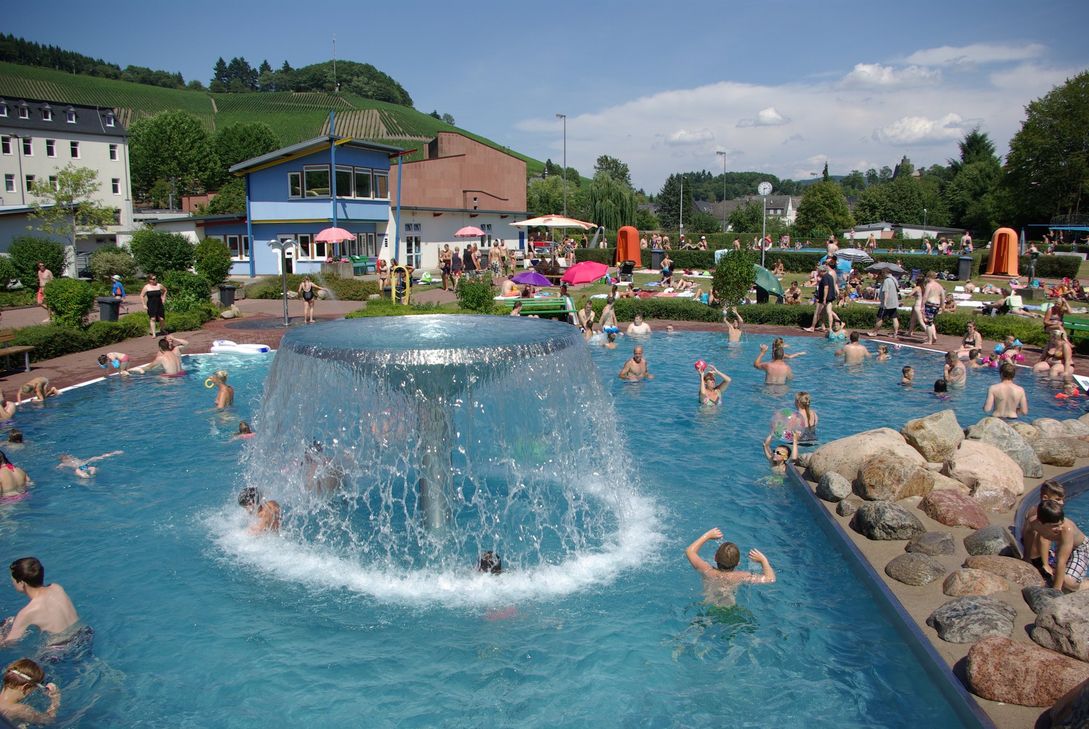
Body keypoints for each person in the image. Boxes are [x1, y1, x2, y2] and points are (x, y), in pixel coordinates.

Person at [1, 558, 81, 648]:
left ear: (21, 583)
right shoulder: (57, 588)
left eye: (12, 579)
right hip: (83, 635)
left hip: (59, 649)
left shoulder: (26, 613)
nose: (12, 582)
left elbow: (9, 643)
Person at [685, 527, 776, 605]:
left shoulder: (707, 570)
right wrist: (763, 561)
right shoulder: (741, 576)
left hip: (707, 603)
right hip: (728, 607)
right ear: (738, 563)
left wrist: (708, 535)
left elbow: (689, 551)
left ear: (715, 558)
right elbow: (770, 579)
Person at [1033, 500, 1087, 592]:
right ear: (1041, 522)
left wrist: (1056, 589)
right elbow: (1031, 535)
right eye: (1055, 525)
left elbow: (1061, 561)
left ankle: (1084, 585)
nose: (1060, 528)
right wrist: (1027, 559)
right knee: (1053, 575)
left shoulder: (1066, 530)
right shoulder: (1033, 522)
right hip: (1062, 546)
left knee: (1065, 582)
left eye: (1061, 523)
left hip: (1080, 549)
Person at [1023, 480, 1066, 577]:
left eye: (1062, 499)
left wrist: (1026, 557)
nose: (1062, 503)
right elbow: (1044, 539)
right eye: (1058, 499)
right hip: (1039, 559)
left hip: (1032, 557)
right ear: (1045, 498)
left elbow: (1028, 532)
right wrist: (1046, 565)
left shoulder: (1033, 510)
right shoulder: (1046, 516)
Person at [0, 658, 61, 726]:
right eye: (36, 687)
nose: (34, 690)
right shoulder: (20, 710)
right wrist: (55, 700)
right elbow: (48, 721)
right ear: (25, 687)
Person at [804, 263, 838, 332]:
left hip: (823, 298)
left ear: (822, 271)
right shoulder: (830, 276)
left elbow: (826, 287)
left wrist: (824, 298)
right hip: (830, 298)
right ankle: (829, 328)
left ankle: (812, 327)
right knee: (828, 312)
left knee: (817, 313)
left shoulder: (825, 277)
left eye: (819, 271)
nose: (818, 273)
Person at [870, 270, 900, 338]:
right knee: (894, 318)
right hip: (893, 302)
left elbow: (886, 292)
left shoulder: (886, 280)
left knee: (879, 318)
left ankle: (875, 332)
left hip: (887, 303)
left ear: (884, 273)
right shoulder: (894, 279)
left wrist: (884, 303)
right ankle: (895, 333)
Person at [57, 451, 122, 479]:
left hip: (83, 467)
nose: (69, 459)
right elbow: (60, 467)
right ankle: (89, 475)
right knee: (82, 469)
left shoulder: (66, 463)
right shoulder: (63, 463)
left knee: (90, 467)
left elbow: (96, 458)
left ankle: (89, 476)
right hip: (83, 467)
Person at [921, 271, 945, 345]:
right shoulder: (939, 286)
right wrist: (942, 307)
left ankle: (929, 340)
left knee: (928, 323)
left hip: (930, 304)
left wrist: (922, 305)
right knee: (931, 322)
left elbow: (925, 296)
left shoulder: (929, 285)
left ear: (928, 277)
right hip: (936, 305)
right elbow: (943, 297)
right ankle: (934, 336)